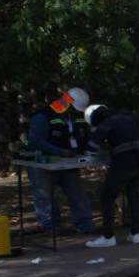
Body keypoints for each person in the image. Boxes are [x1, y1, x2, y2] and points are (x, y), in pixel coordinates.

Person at [25, 87, 95, 235]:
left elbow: (84, 136)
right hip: (43, 164)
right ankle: (50, 226)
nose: (75, 112)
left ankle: (85, 223)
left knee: (77, 193)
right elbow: (36, 141)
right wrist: (60, 151)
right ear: (66, 103)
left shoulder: (77, 117)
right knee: (44, 195)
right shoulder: (42, 117)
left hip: (68, 163)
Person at [83, 104, 139, 249]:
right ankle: (136, 234)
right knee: (133, 196)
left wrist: (94, 134)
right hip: (138, 162)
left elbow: (91, 146)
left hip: (123, 164)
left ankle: (108, 236)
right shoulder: (128, 118)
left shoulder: (107, 123)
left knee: (107, 197)